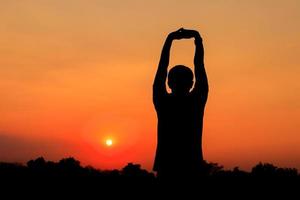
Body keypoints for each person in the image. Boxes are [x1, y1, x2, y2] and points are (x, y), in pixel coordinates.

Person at [153, 28, 209, 179]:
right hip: (192, 166)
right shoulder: (196, 101)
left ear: (169, 82)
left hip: (167, 166)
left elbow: (161, 69)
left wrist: (169, 39)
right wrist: (198, 39)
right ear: (192, 83)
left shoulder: (163, 101)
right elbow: (200, 67)